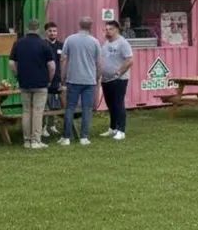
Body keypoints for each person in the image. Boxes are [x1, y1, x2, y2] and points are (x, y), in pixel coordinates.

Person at [9, 19, 56, 149]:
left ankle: (27, 140)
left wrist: (17, 75)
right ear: (39, 29)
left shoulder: (18, 43)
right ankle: (35, 140)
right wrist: (49, 79)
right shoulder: (44, 44)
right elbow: (51, 65)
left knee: (26, 111)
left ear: (27, 28)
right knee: (37, 112)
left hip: (24, 82)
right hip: (41, 83)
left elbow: (11, 63)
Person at [60, 17, 101, 145]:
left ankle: (66, 137)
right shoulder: (95, 42)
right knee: (87, 108)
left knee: (70, 107)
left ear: (79, 25)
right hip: (89, 80)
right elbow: (99, 62)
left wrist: (63, 75)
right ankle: (84, 137)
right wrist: (97, 76)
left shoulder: (70, 39)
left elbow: (64, 58)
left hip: (73, 79)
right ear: (91, 26)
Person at [99, 20, 134, 140]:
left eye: (110, 29)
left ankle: (121, 130)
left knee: (118, 104)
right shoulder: (105, 43)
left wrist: (119, 72)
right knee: (110, 104)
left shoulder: (122, 43)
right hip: (106, 79)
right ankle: (112, 128)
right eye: (106, 29)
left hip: (119, 79)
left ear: (117, 30)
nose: (108, 31)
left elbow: (129, 60)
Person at [43, 21, 64, 138]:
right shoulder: (43, 45)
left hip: (57, 80)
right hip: (45, 80)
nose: (52, 33)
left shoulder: (61, 45)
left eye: (54, 31)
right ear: (46, 32)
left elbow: (63, 62)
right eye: (50, 31)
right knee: (44, 104)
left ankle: (52, 125)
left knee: (54, 104)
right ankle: (43, 127)